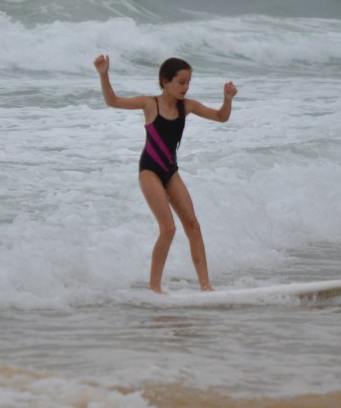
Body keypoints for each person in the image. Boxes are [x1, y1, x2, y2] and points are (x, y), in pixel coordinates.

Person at [94, 54, 237, 294]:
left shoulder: (187, 106)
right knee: (168, 228)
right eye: (181, 82)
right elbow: (112, 101)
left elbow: (221, 117)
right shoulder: (150, 104)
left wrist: (227, 99)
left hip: (171, 171)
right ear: (165, 81)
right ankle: (155, 287)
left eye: (188, 82)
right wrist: (104, 73)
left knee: (193, 226)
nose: (186, 87)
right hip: (149, 170)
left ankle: (206, 286)